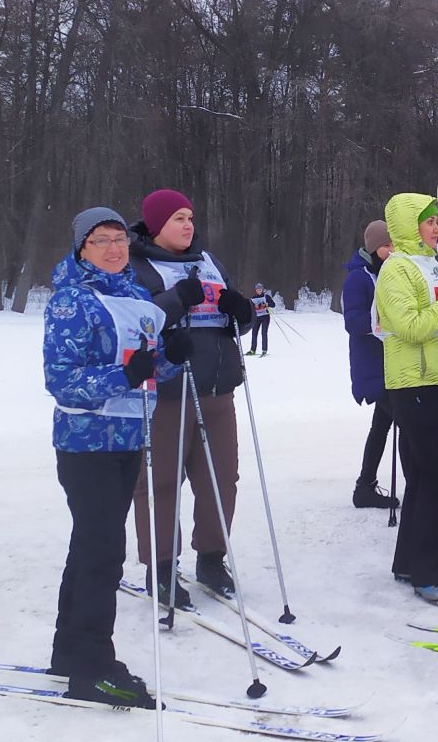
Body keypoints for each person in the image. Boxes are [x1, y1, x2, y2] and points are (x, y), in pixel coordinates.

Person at [42, 207, 189, 706]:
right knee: (104, 551)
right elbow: (61, 380)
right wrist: (123, 377)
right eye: (101, 240)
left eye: (120, 239)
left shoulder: (135, 297)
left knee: (90, 546)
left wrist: (171, 358)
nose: (114, 249)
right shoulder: (71, 302)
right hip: (86, 442)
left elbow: (145, 367)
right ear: (81, 247)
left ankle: (69, 651)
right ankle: (91, 667)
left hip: (128, 436)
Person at [127, 188, 256, 605]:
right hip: (167, 394)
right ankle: (161, 569)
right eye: (177, 218)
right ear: (156, 225)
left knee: (221, 481)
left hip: (218, 388)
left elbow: (235, 319)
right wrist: (177, 299)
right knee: (160, 484)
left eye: (190, 217)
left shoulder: (209, 262)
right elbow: (136, 321)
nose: (188, 225)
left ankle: (212, 557)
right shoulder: (137, 265)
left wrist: (244, 312)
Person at [375, 191, 438, 605]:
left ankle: (409, 560)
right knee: (435, 476)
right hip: (412, 382)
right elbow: (410, 326)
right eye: (429, 222)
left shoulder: (431, 264)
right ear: (410, 226)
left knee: (424, 475)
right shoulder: (396, 269)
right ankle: (430, 572)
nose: (436, 229)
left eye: (437, 221)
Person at [342, 219, 398, 509]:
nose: (393, 250)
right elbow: (352, 322)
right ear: (375, 248)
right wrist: (387, 321)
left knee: (381, 425)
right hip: (373, 365)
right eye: (388, 246)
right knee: (404, 423)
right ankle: (421, 486)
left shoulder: (391, 273)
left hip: (393, 362)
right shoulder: (358, 277)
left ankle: (365, 486)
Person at [245, 284, 274, 356]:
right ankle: (252, 350)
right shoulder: (253, 298)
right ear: (255, 290)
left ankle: (264, 350)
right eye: (257, 290)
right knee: (254, 333)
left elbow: (273, 304)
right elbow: (249, 308)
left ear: (262, 289)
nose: (259, 291)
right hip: (257, 318)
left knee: (264, 333)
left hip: (265, 317)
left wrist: (267, 304)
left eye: (260, 289)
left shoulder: (266, 297)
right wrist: (254, 306)